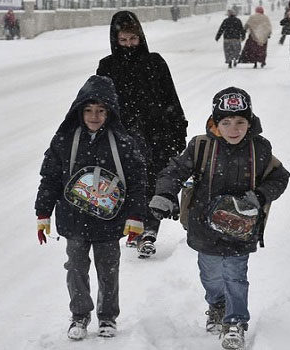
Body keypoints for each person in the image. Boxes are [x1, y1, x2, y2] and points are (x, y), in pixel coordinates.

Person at [149, 87, 290, 350]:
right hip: (204, 227)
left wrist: (259, 196)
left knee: (236, 275)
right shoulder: (201, 146)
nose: (233, 128)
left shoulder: (259, 149)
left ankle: (235, 321)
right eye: (226, 122)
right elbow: (174, 171)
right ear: (216, 123)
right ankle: (217, 305)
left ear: (249, 122)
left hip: (241, 228)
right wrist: (165, 193)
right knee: (211, 275)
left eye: (240, 122)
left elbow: (280, 177)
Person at [35, 75, 147, 340]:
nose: (94, 116)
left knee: (108, 269)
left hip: (110, 220)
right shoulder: (64, 140)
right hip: (73, 218)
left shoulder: (123, 142)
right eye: (88, 110)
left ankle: (108, 317)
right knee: (76, 267)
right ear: (79, 110)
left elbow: (137, 181)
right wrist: (43, 213)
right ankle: (80, 315)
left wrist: (135, 216)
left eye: (100, 110)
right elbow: (50, 177)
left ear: (110, 112)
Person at [96, 11, 188, 258]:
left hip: (157, 136)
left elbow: (171, 98)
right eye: (123, 40)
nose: (128, 45)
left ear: (141, 37)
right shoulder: (107, 66)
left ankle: (148, 232)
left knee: (152, 184)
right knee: (127, 185)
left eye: (132, 40)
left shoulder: (155, 62)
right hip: (122, 137)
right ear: (116, 40)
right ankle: (133, 227)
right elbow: (98, 102)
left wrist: (179, 131)